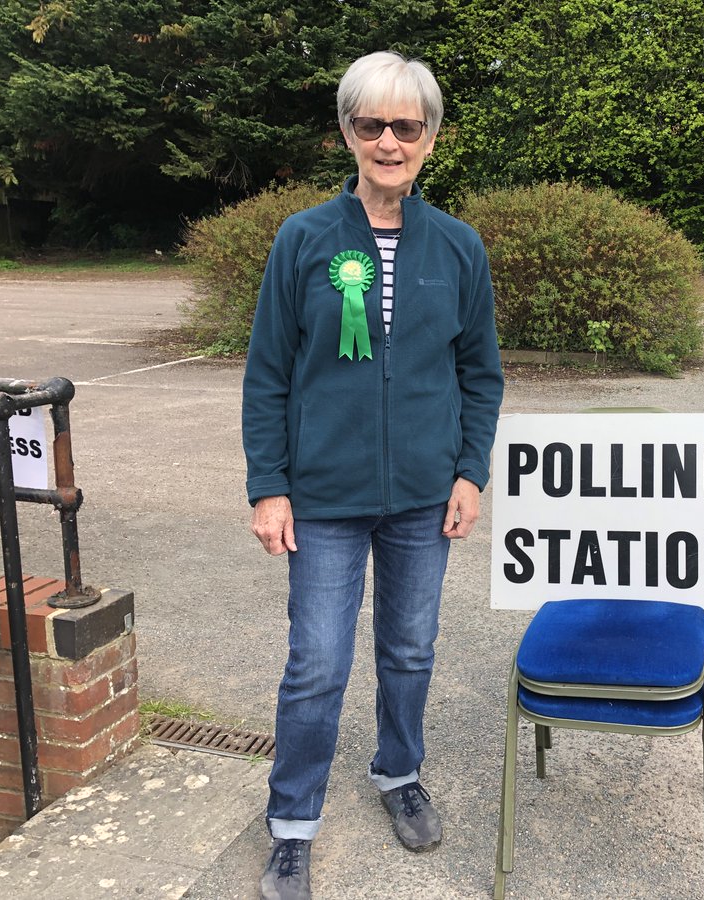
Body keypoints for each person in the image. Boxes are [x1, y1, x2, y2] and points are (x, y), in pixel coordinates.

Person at [242, 50, 504, 900]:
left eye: (407, 125)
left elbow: (480, 374)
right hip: (321, 496)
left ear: (430, 137)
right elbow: (269, 373)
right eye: (371, 124)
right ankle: (292, 824)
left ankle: (399, 774)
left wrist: (471, 471)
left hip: (425, 496)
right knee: (316, 662)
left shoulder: (458, 247)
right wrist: (268, 484)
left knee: (410, 650)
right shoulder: (306, 240)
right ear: (348, 133)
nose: (389, 140)